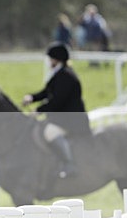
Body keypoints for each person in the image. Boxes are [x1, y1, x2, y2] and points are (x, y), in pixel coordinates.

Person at [23, 42, 91, 178]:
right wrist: (32, 97)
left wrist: (38, 110)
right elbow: (47, 92)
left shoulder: (66, 76)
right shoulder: (60, 74)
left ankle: (69, 164)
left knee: (50, 132)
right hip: (64, 118)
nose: (49, 61)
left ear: (56, 59)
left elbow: (57, 101)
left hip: (73, 121)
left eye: (50, 59)